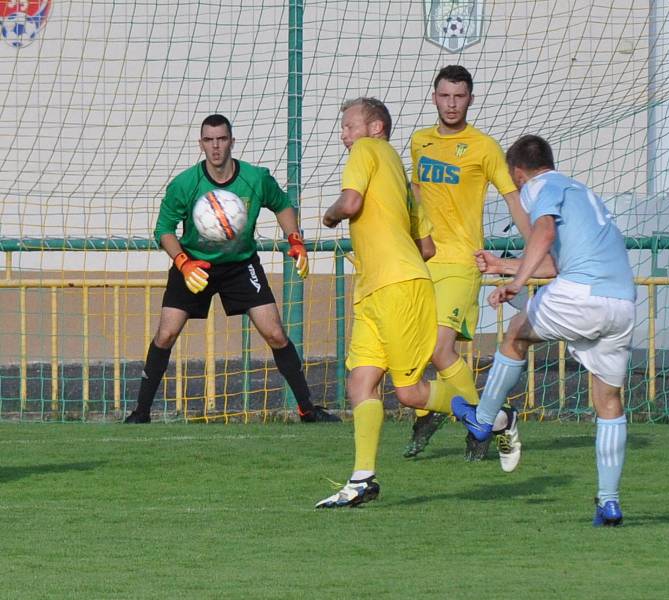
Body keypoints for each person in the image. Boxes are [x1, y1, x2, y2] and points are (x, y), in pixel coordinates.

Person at [453, 135, 636, 526]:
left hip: (583, 294)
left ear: (518, 174)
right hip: (622, 303)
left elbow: (545, 234)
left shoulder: (539, 186)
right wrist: (503, 267)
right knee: (608, 402)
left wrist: (516, 284)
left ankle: (484, 420)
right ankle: (609, 502)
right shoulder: (578, 189)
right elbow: (554, 265)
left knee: (516, 333)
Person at [124, 114, 339, 424]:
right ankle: (140, 413)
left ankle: (307, 409)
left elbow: (282, 205)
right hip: (195, 265)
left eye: (222, 139)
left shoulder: (256, 178)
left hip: (240, 265)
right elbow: (164, 229)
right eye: (209, 140)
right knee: (166, 334)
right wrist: (182, 263)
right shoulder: (185, 184)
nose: (216, 146)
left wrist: (294, 239)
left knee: (276, 334)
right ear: (201, 144)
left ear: (232, 142)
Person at [316, 97, 465, 508]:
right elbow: (429, 247)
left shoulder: (366, 152)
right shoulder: (397, 173)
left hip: (396, 288)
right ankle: (362, 479)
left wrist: (329, 217)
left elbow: (350, 204)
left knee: (410, 392)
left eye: (349, 125)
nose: (344, 134)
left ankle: (489, 413)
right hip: (377, 289)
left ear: (376, 128)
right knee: (361, 383)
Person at [404, 65, 532, 461]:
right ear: (434, 97)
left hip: (461, 261)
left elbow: (513, 198)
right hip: (422, 259)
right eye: (445, 96)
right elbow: (415, 193)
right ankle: (433, 412)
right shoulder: (419, 141)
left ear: (470, 99)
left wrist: (535, 249)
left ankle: (483, 423)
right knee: (418, 348)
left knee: (441, 350)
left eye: (459, 97)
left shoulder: (484, 147)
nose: (452, 104)